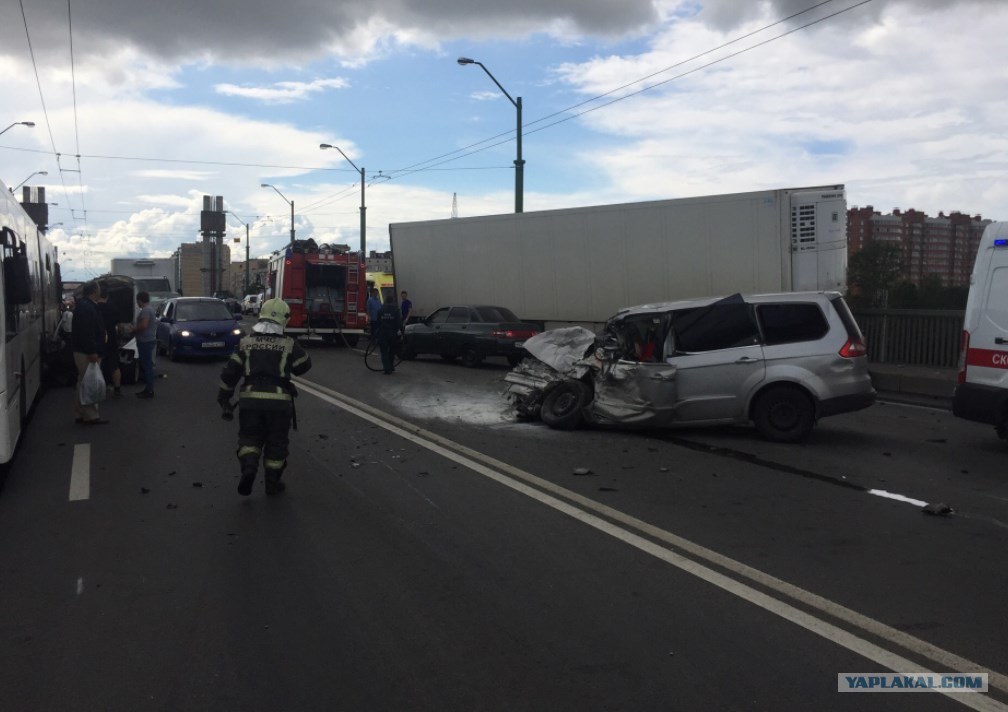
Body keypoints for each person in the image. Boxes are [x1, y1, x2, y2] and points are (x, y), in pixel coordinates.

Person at [217, 298, 312, 496]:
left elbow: (230, 373)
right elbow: (304, 366)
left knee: (250, 439)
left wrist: (224, 398)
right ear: (284, 319)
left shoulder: (246, 343)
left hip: (250, 401)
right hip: (279, 404)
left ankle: (249, 469)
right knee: (276, 444)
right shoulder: (288, 344)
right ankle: (272, 484)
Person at [70, 281, 107, 425]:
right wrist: (92, 351)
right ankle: (91, 416)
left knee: (82, 381)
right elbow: (87, 332)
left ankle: (80, 413)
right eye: (98, 289)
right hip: (86, 352)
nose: (100, 292)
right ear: (94, 291)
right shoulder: (87, 307)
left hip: (81, 350)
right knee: (90, 382)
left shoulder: (85, 305)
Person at [97, 289, 122, 397]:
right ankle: (117, 388)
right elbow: (119, 324)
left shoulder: (94, 308)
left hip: (97, 340)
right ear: (107, 297)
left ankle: (98, 388)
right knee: (114, 366)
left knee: (98, 365)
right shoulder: (113, 308)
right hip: (111, 339)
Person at [134, 291, 157, 399]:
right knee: (147, 365)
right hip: (148, 340)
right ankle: (148, 388)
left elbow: (144, 325)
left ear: (139, 300)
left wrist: (133, 330)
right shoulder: (150, 309)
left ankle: (149, 390)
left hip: (145, 341)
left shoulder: (146, 310)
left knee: (147, 366)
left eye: (137, 301)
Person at [375, 296, 402, 375]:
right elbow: (399, 323)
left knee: (384, 352)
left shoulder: (381, 310)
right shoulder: (396, 310)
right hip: (392, 333)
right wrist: (403, 332)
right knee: (392, 350)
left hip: (383, 333)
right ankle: (391, 366)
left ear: (386, 301)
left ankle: (387, 369)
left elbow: (378, 322)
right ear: (392, 300)